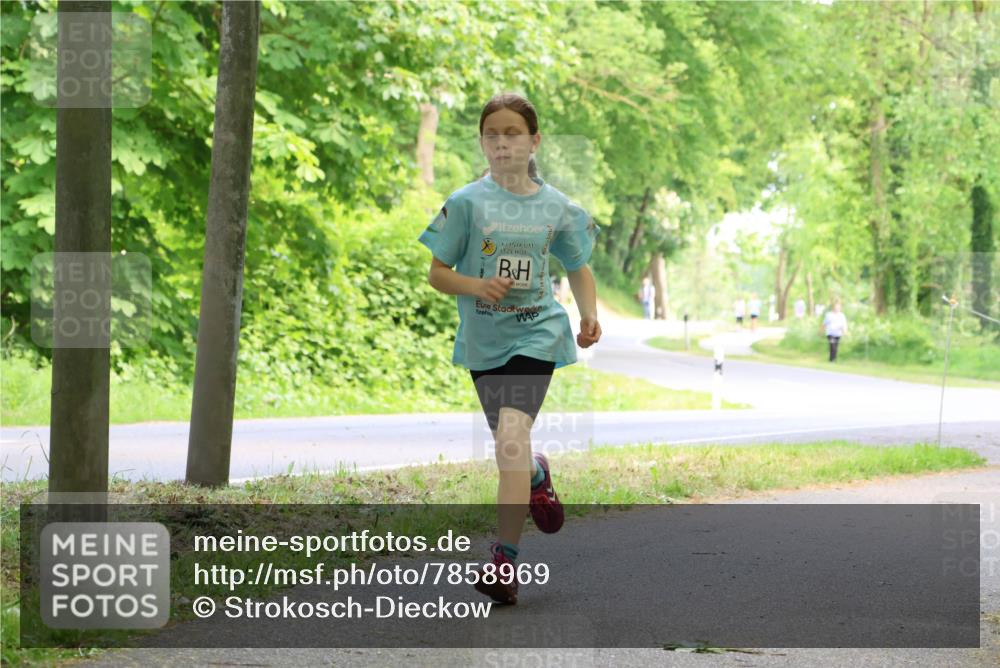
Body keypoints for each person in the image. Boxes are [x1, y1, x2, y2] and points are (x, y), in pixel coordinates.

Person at [418, 92, 602, 605]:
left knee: (511, 441)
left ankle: (504, 562)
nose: (502, 143)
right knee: (512, 449)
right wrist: (477, 286)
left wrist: (588, 314)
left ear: (534, 141)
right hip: (484, 341)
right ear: (482, 143)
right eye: (492, 134)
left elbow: (578, 266)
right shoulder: (465, 204)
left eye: (512, 133)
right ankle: (537, 475)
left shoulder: (556, 206)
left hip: (538, 332)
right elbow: (437, 273)